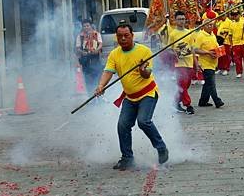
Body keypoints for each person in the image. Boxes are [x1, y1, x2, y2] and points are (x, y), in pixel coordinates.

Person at [94, 23, 168, 171]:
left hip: (147, 93)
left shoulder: (144, 51)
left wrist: (142, 70)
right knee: (122, 125)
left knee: (143, 121)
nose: (123, 39)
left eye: (126, 36)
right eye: (120, 36)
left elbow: (147, 74)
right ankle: (127, 158)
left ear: (132, 35)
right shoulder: (115, 54)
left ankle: (161, 148)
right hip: (129, 97)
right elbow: (108, 71)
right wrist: (101, 86)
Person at [194, 15, 224, 108]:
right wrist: (208, 53)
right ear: (203, 26)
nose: (210, 26)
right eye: (208, 25)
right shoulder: (200, 36)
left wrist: (219, 51)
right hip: (205, 63)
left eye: (211, 25)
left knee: (207, 83)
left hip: (213, 62)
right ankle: (217, 101)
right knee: (211, 83)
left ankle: (203, 101)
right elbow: (195, 49)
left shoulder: (212, 35)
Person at [168, 11, 196, 114]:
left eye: (183, 19)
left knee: (186, 85)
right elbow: (169, 49)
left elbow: (192, 49)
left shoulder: (189, 33)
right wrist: (174, 53)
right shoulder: (172, 34)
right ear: (175, 20)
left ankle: (176, 102)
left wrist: (196, 64)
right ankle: (188, 105)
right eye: (179, 19)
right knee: (183, 85)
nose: (181, 21)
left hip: (189, 62)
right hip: (178, 64)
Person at [75, 18, 102, 92]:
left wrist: (97, 50)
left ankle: (99, 97)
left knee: (97, 78)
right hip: (85, 61)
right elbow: (77, 48)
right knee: (88, 80)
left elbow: (100, 44)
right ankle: (91, 97)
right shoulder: (80, 36)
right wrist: (82, 52)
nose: (86, 27)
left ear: (91, 26)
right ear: (82, 27)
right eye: (84, 26)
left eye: (87, 26)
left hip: (95, 59)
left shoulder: (96, 34)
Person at [229, 10, 244, 78]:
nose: (235, 16)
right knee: (237, 60)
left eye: (236, 14)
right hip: (236, 44)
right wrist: (231, 44)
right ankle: (239, 72)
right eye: (234, 15)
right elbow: (230, 35)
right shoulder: (232, 24)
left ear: (239, 15)